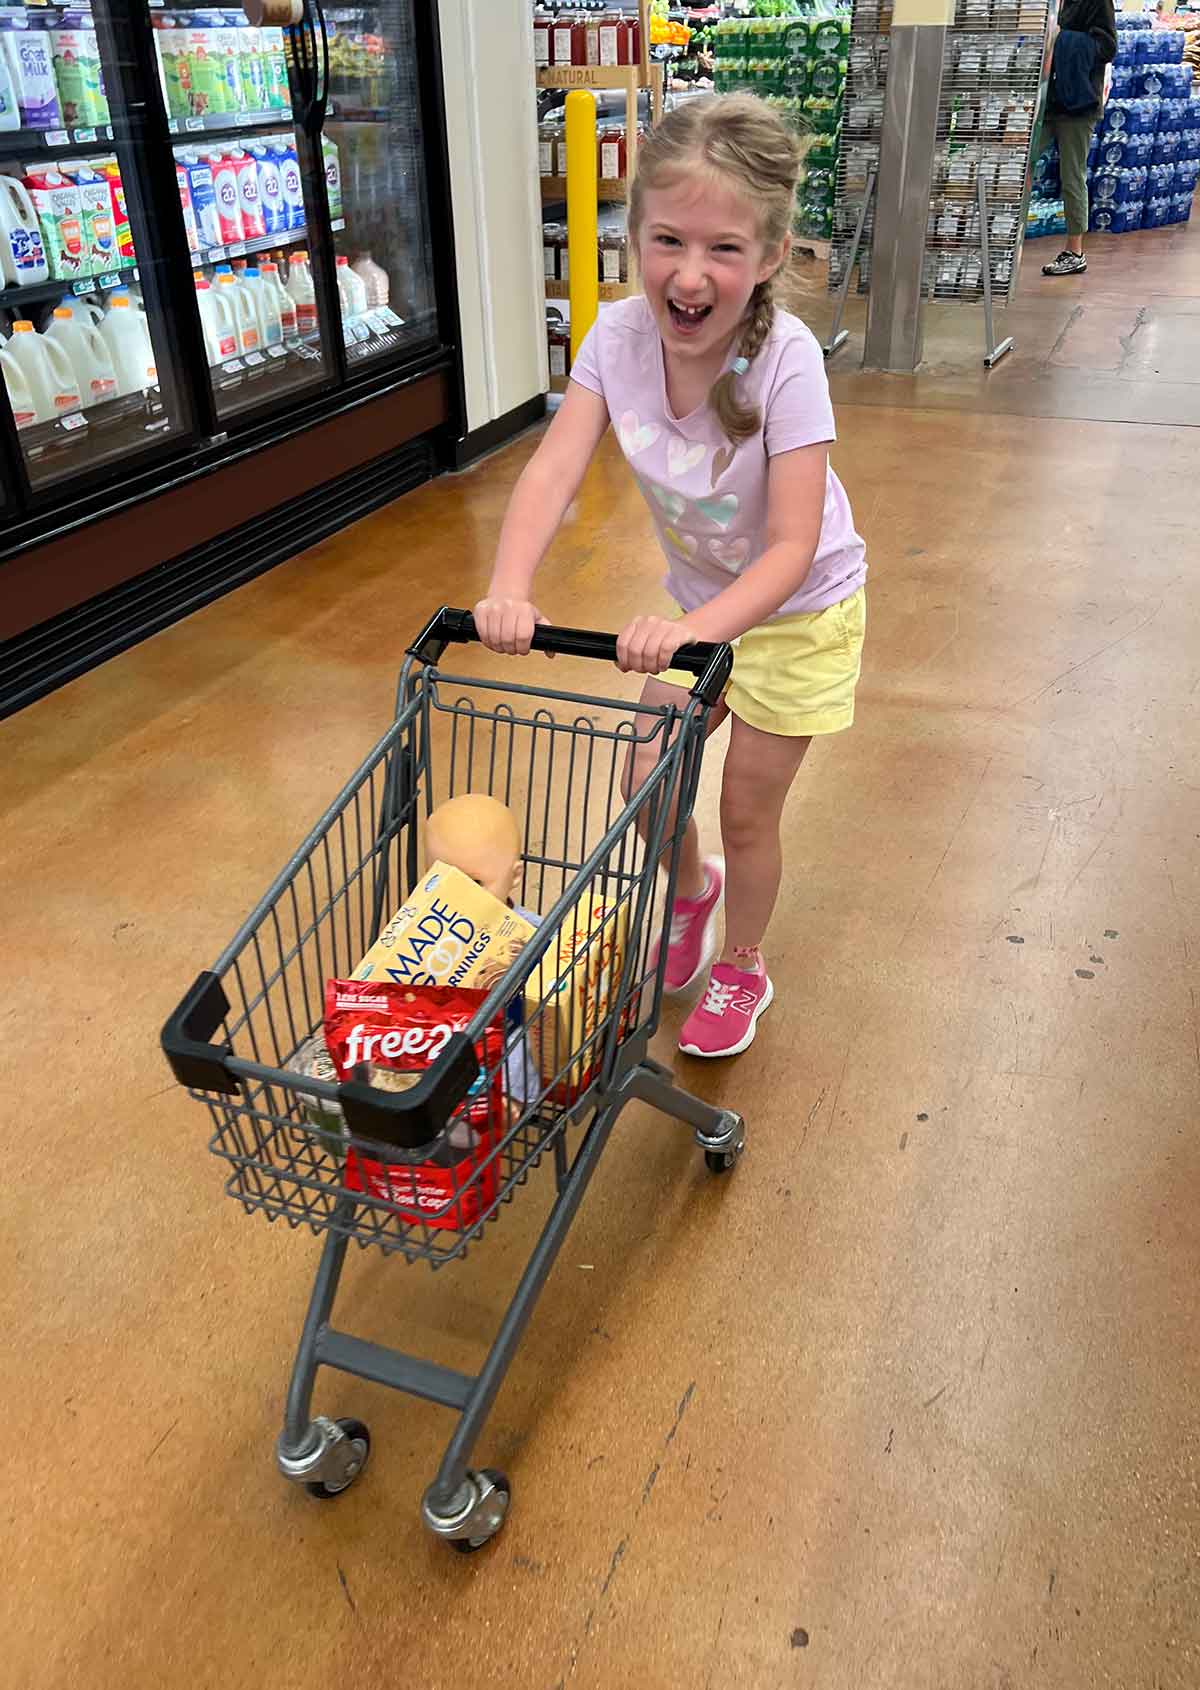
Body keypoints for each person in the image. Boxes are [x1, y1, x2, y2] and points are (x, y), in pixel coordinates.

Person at [474, 94, 866, 1060]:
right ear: (633, 235)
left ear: (771, 256)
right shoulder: (614, 341)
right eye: (667, 241)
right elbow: (555, 467)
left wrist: (697, 635)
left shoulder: (785, 363)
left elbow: (789, 544)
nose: (690, 275)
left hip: (803, 612)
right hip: (705, 607)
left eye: (724, 249)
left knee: (745, 805)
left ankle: (743, 965)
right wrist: (510, 583)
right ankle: (692, 892)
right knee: (649, 775)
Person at [1036, 0, 1118, 277]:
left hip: (1079, 105)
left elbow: (1108, 47)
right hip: (1049, 100)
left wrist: (1062, 40)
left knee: (1072, 176)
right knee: (1021, 161)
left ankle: (1075, 251)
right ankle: (999, 234)